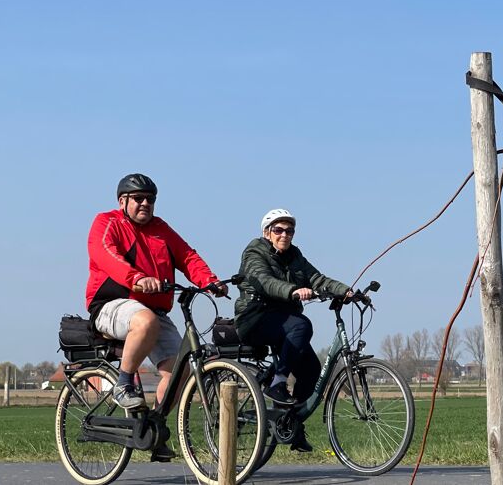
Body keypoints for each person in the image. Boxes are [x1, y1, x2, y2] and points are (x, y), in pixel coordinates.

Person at [85, 173, 227, 461]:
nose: (145, 204)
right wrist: (136, 277)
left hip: (154, 310)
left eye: (150, 199)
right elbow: (104, 253)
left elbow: (187, 256)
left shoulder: (161, 229)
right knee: (144, 321)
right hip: (112, 304)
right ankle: (124, 383)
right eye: (138, 198)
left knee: (180, 369)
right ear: (122, 201)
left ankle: (152, 426)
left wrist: (209, 281)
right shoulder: (108, 222)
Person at [234, 208, 351, 452]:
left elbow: (317, 279)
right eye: (279, 230)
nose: (284, 234)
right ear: (267, 233)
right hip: (255, 318)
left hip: (284, 323)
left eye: (289, 230)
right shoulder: (254, 252)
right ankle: (278, 381)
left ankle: (291, 424)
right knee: (302, 325)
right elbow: (264, 280)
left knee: (311, 370)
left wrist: (346, 290)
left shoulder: (295, 256)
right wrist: (293, 291)